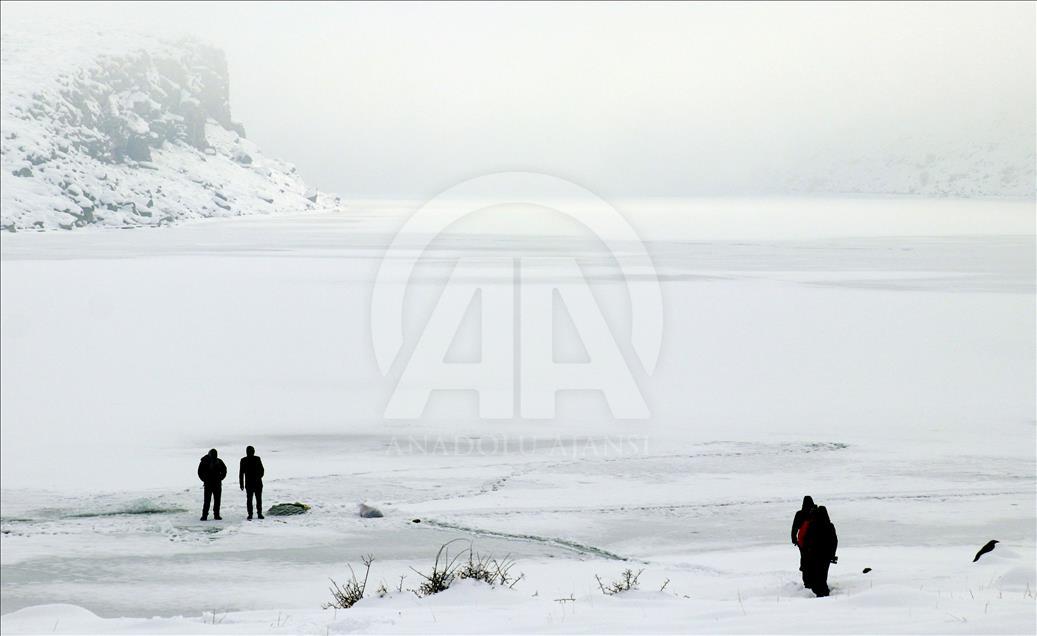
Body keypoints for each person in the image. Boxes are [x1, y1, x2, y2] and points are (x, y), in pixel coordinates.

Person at [802, 505, 838, 597]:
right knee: (823, 575)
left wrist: (807, 551)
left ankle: (820, 593)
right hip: (826, 555)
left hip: (814, 555)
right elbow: (834, 541)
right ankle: (824, 593)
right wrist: (832, 554)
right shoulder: (830, 526)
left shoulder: (813, 525)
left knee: (816, 575)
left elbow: (807, 540)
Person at [791, 496, 817, 587]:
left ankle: (807, 582)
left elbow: (795, 527)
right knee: (814, 561)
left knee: (805, 560)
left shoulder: (800, 514)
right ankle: (814, 580)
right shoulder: (816, 512)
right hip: (815, 542)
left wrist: (794, 539)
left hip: (803, 542)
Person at [197, 448, 227, 521]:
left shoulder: (219, 461)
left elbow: (224, 470)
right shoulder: (204, 461)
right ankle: (204, 515)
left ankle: (216, 515)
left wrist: (220, 478)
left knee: (217, 500)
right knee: (207, 501)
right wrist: (205, 479)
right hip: (208, 484)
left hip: (217, 484)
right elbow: (200, 472)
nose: (215, 455)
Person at [239, 445, 265, 520]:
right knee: (251, 499)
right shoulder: (244, 460)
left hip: (256, 483)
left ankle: (258, 513)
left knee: (257, 499)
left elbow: (262, 470)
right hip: (251, 483)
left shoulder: (257, 459)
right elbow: (241, 473)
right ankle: (251, 514)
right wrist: (241, 484)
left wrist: (258, 477)